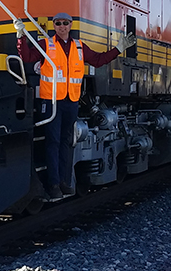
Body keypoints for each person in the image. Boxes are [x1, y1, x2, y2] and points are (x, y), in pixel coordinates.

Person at [14, 12, 136, 199]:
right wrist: (20, 36)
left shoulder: (79, 47)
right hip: (52, 101)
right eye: (58, 23)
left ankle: (65, 182)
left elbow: (98, 60)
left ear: (70, 25)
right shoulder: (47, 44)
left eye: (65, 23)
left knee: (67, 142)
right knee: (53, 142)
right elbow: (27, 57)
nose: (61, 26)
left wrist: (119, 48)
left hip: (71, 102)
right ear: (53, 25)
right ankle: (54, 184)